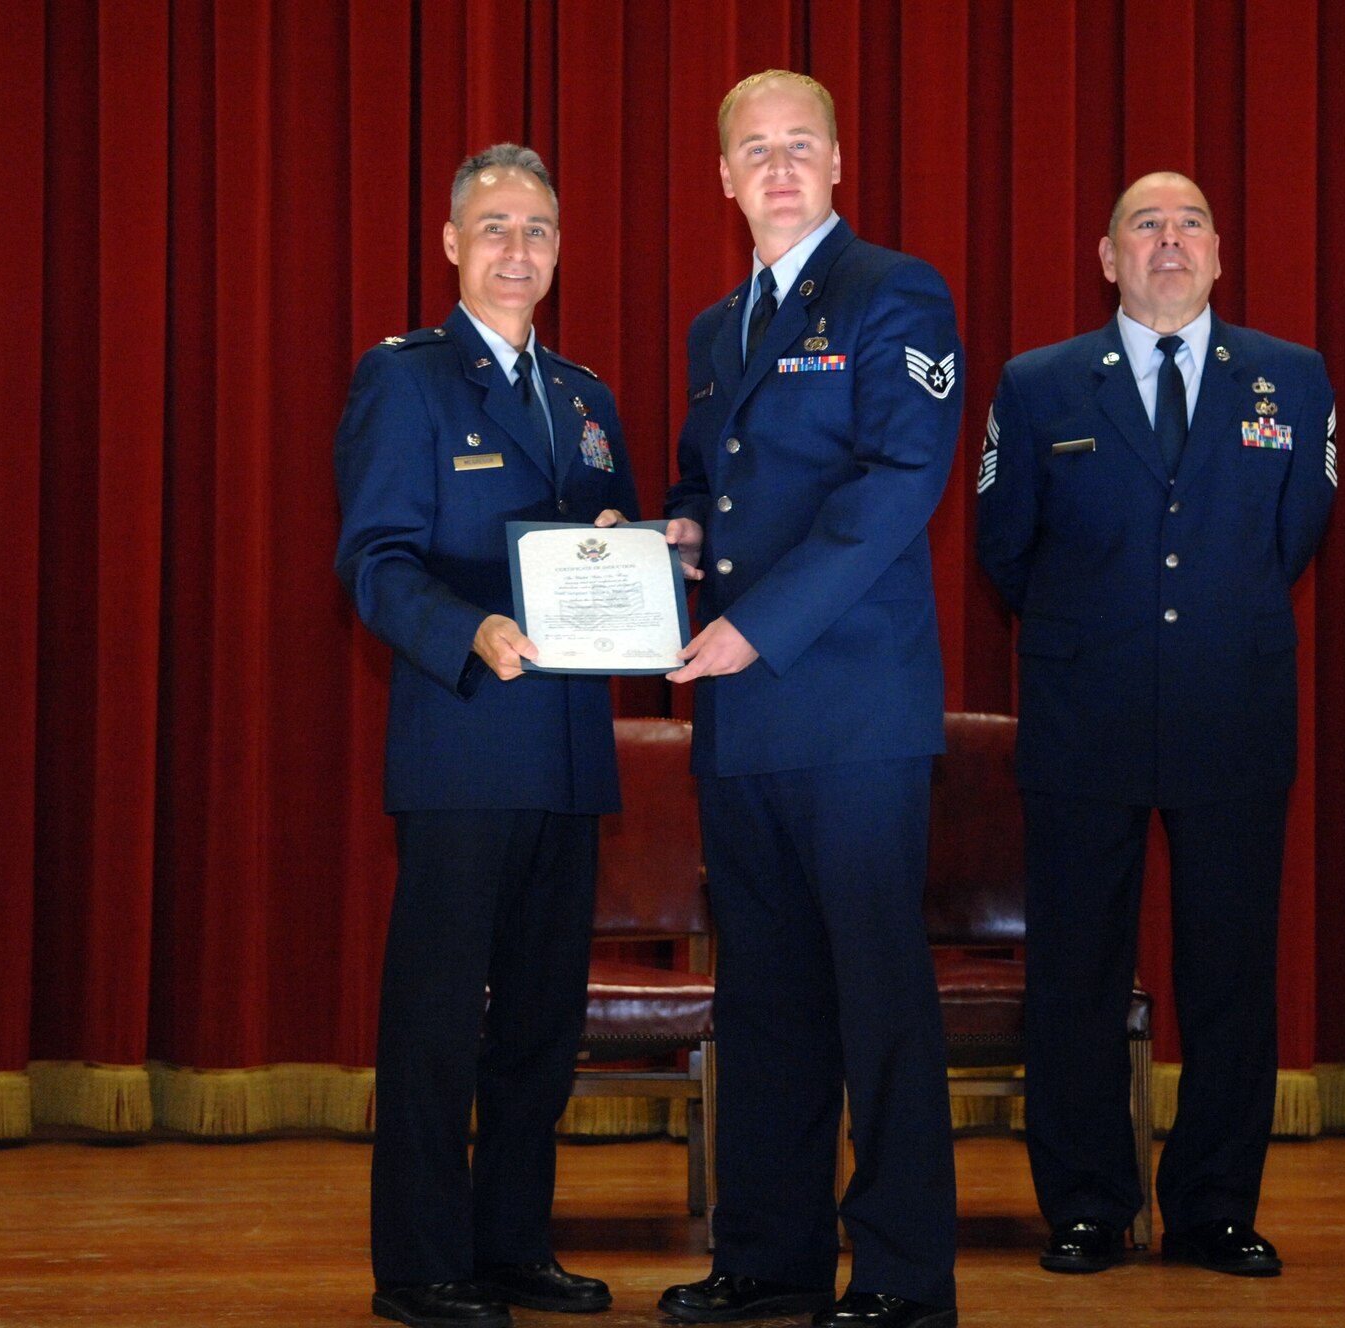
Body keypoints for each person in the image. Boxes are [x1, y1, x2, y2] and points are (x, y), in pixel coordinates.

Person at [975, 171, 1337, 1279]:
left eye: (1189, 224)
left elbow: (1296, 532)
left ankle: (1214, 1208)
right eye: (1145, 224)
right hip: (1083, 712)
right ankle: (1087, 1204)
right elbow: (1004, 546)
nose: (1168, 240)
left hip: (1232, 709)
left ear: (1219, 254)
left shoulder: (1290, 377)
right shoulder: (1038, 384)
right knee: (1076, 974)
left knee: (1229, 974)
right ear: (1107, 256)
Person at [652, 70, 962, 1328]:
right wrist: (677, 532)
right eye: (753, 150)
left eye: (798, 146)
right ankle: (767, 1257)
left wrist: (754, 626)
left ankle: (899, 1272)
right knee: (765, 998)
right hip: (740, 720)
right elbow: (709, 481)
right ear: (722, 177)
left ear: (836, 162)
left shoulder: (895, 291)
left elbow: (897, 482)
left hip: (850, 715)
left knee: (876, 997)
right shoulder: (713, 328)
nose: (776, 168)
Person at [333, 143, 639, 1328]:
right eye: (497, 227)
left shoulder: (586, 396)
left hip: (568, 754)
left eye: (539, 229)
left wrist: (644, 555)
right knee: (436, 1021)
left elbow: (599, 549)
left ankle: (512, 1245)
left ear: (559, 250)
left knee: (539, 1026)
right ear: (454, 244)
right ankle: (420, 1264)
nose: (519, 249)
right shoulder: (404, 378)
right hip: (462, 742)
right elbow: (375, 560)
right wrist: (467, 628)